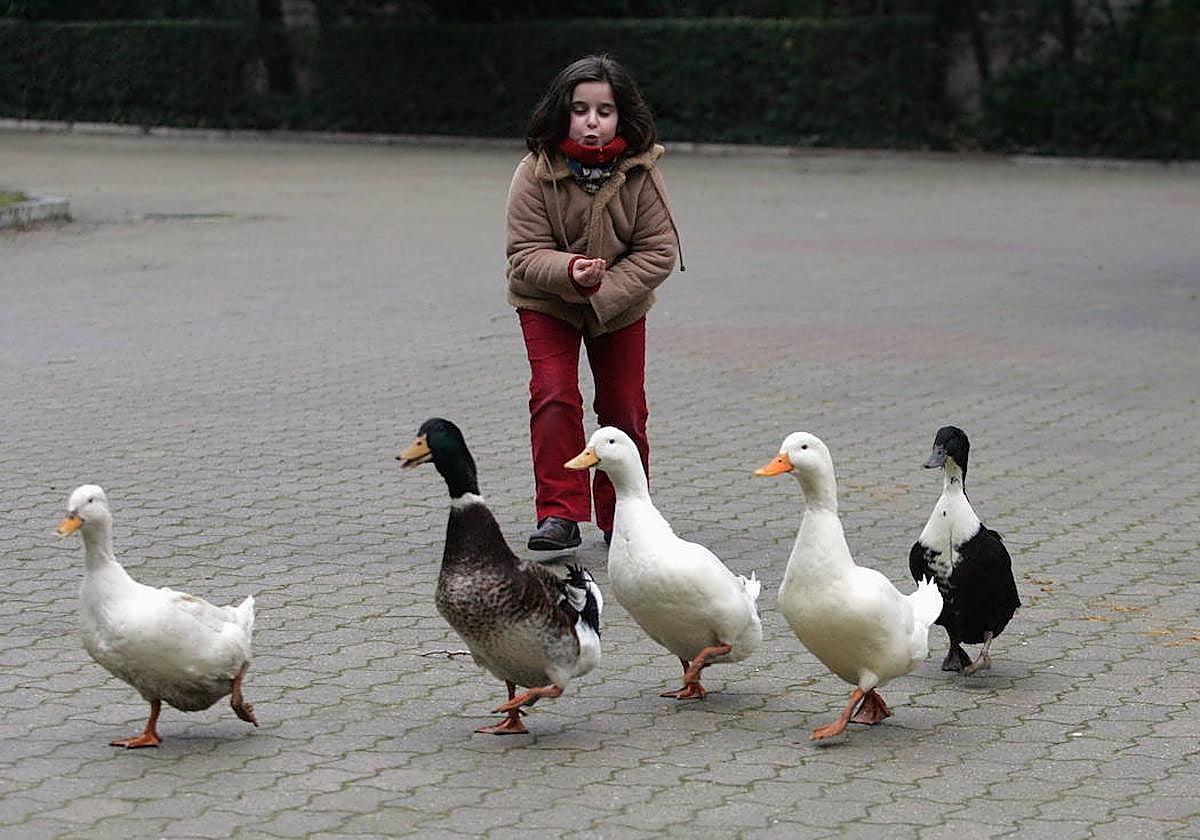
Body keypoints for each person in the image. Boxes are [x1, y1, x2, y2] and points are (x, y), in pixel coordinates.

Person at [506, 54, 683, 551]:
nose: (591, 121)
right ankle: (559, 514)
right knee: (554, 395)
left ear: (620, 116)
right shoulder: (534, 172)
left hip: (620, 304)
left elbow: (659, 251)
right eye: (580, 109)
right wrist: (569, 271)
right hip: (547, 302)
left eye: (603, 111)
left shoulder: (642, 172)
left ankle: (625, 515)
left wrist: (602, 288)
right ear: (563, 112)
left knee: (623, 409)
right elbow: (523, 253)